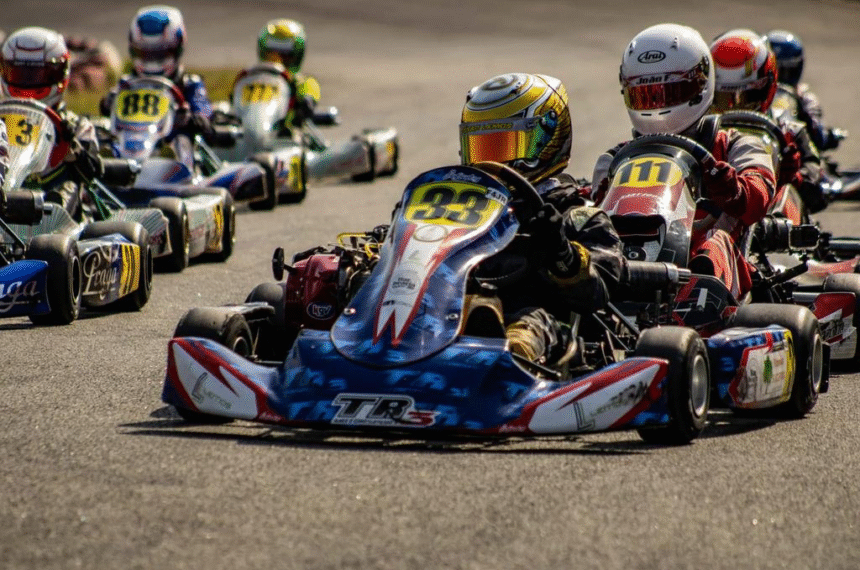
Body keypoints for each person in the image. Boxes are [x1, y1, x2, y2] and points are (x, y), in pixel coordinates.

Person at [591, 23, 776, 300]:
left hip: (715, 266)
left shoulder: (736, 145)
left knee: (715, 244)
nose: (656, 107)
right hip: (630, 267)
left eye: (669, 94)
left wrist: (730, 188)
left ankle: (697, 304)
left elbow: (760, 198)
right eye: (646, 96)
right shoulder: (613, 161)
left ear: (701, 84)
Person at [459, 72, 625, 364]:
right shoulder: (465, 208)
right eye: (483, 148)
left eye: (503, 146)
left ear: (545, 140)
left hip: (550, 327)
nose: (492, 160)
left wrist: (562, 252)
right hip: (461, 307)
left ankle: (513, 353)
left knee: (532, 323)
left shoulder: (578, 216)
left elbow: (598, 295)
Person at [708, 28, 826, 214]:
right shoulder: (701, 132)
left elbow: (818, 195)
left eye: (746, 97)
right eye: (724, 99)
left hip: (771, 228)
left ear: (768, 87)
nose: (734, 109)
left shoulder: (790, 131)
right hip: (711, 220)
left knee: (789, 193)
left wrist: (793, 178)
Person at [0, 26, 103, 220]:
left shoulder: (73, 125)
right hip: (6, 197)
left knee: (68, 189)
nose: (28, 84)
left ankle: (51, 226)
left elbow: (94, 171)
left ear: (60, 74)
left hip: (56, 207)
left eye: (37, 76)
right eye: (20, 75)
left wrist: (74, 147)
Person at [100, 5, 215, 143]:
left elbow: (202, 108)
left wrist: (195, 119)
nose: (151, 60)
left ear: (177, 48)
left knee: (182, 142)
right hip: (132, 146)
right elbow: (107, 110)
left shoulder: (188, 83)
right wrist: (108, 103)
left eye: (159, 54)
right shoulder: (127, 84)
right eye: (145, 54)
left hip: (172, 147)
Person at [765, 29, 844, 152]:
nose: (777, 79)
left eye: (783, 72)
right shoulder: (748, 97)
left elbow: (818, 136)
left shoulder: (804, 98)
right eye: (773, 72)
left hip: (794, 157)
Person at [256, 18, 321, 129]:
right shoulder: (252, 81)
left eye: (284, 54)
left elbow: (310, 91)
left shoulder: (302, 83)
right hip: (251, 136)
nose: (277, 59)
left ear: (295, 55)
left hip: (288, 137)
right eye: (272, 53)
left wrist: (307, 102)